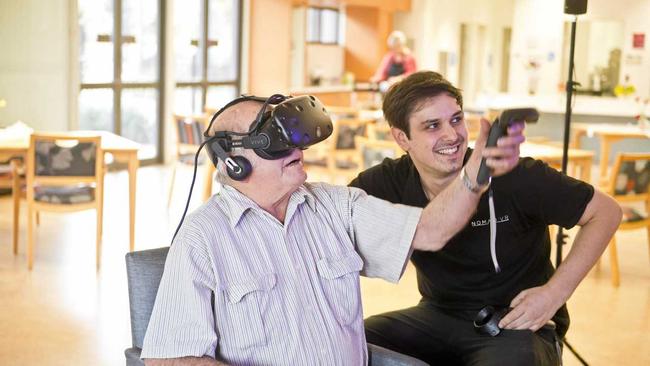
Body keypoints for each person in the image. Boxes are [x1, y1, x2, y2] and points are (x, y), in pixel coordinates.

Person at [140, 94, 526, 365]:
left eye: (294, 139)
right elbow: (170, 358)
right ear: (234, 162)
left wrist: (475, 174)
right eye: (276, 143)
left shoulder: (334, 205)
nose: (297, 150)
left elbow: (429, 231)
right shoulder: (203, 239)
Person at [349, 71, 622, 365]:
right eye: (432, 126)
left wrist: (554, 294)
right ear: (402, 137)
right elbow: (331, 220)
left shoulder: (514, 174)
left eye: (456, 119)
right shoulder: (385, 183)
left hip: (515, 321)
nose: (452, 135)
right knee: (348, 341)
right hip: (439, 313)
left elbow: (606, 212)